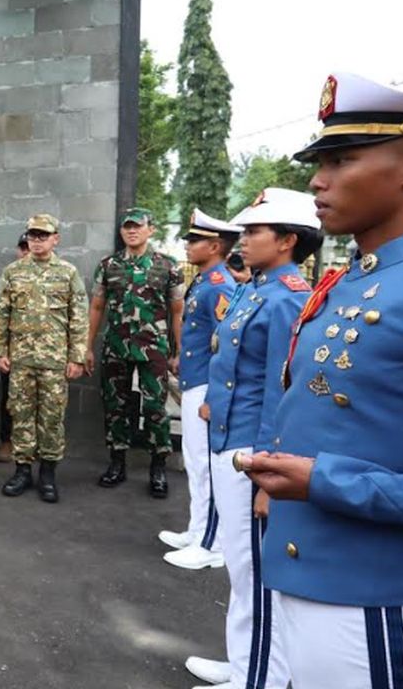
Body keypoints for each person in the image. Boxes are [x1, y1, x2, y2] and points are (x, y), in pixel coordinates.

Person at [238, 73, 403, 687]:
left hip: (383, 596)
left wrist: (326, 482)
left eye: (341, 160)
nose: (317, 181)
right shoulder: (348, 280)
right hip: (310, 576)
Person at [182, 188, 320, 689]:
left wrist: (266, 468)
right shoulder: (255, 289)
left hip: (250, 450)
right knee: (241, 570)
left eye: (254, 231)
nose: (243, 239)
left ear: (286, 240)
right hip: (227, 438)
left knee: (256, 575)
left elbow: (280, 390)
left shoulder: (288, 299)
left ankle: (259, 675)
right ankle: (245, 661)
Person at [0, 214, 88, 503]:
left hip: (55, 361)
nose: (37, 240)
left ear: (56, 238)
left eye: (43, 235)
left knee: (52, 418)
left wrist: (77, 357)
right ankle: (22, 471)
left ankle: (48, 474)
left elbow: (78, 318)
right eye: (32, 235)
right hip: (20, 360)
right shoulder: (12, 272)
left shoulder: (68, 273)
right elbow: (0, 312)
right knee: (20, 415)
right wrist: (0, 351)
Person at [161, 209, 239, 572]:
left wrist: (213, 396)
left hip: (207, 384)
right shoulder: (206, 280)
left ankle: (213, 543)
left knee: (207, 465)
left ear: (216, 245)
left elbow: (228, 344)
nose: (189, 246)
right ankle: (197, 530)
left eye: (195, 240)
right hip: (195, 379)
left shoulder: (220, 284)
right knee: (196, 462)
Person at [87, 207, 184, 497]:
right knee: (115, 406)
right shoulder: (108, 265)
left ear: (150, 229)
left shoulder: (168, 266)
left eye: (138, 226)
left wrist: (179, 352)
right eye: (127, 227)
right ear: (121, 231)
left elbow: (177, 311)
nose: (132, 231)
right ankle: (117, 463)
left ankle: (158, 467)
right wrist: (87, 347)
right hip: (116, 345)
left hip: (153, 348)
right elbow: (96, 307)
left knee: (155, 408)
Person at [0, 234, 31, 462]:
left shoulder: (63, 273)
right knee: (10, 400)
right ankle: (7, 441)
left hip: (48, 353)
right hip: (15, 350)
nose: (27, 251)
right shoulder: (9, 275)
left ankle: (34, 445)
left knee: (44, 402)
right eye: (23, 247)